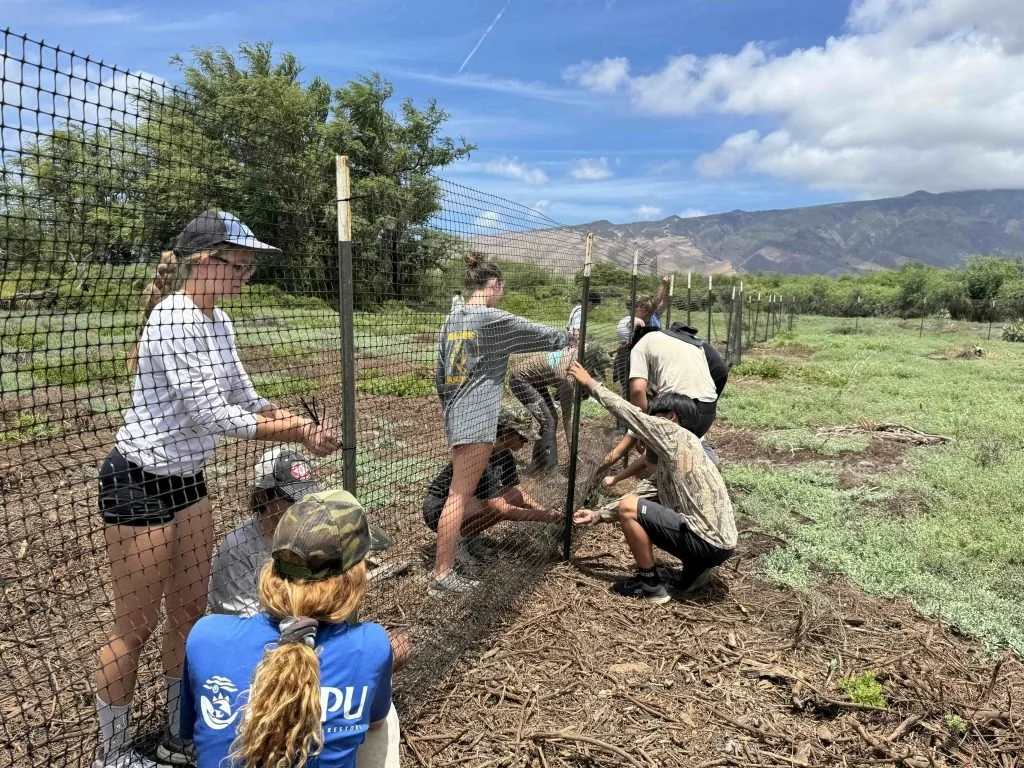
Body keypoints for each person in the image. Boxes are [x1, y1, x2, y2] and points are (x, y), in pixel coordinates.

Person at [93, 211, 339, 768]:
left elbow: (242, 397)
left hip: (187, 482)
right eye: (240, 265)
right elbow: (213, 415)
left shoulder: (218, 322)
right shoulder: (173, 321)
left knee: (187, 615)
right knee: (134, 626)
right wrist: (296, 428)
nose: (245, 276)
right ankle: (109, 753)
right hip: (139, 482)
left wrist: (286, 415)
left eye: (250, 267)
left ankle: (177, 729)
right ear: (205, 261)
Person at [207, 449, 408, 768]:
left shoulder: (203, 637)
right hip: (262, 670)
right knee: (379, 714)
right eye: (288, 499)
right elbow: (254, 644)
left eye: (302, 498)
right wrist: (366, 662)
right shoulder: (238, 549)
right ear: (264, 496)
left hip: (298, 647)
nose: (298, 508)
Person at [433, 253, 568, 595]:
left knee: (459, 494)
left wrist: (452, 406)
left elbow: (439, 375)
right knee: (459, 495)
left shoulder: (451, 319)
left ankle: (451, 561)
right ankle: (442, 574)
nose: (501, 295)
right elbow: (538, 334)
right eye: (501, 289)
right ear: (493, 285)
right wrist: (568, 338)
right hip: (477, 417)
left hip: (456, 412)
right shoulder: (491, 319)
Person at [568, 361, 736, 603]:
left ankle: (650, 585)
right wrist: (598, 515)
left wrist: (590, 383)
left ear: (671, 417)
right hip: (723, 547)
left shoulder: (676, 434)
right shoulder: (681, 460)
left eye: (654, 419)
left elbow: (631, 415)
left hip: (706, 540)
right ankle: (697, 568)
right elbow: (642, 494)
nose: (648, 427)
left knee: (630, 507)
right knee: (633, 505)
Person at [423, 405, 560, 582]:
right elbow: (500, 508)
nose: (525, 442)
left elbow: (517, 492)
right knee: (495, 507)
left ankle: (470, 539)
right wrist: (542, 517)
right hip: (438, 509)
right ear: (506, 433)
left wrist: (542, 509)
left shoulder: (505, 455)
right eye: (522, 437)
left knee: (514, 497)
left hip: (467, 505)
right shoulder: (482, 457)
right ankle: (457, 545)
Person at [509, 344, 608, 471]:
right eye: (592, 372)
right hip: (520, 380)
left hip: (535, 381)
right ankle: (550, 470)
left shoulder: (577, 356)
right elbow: (567, 418)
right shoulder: (568, 379)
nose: (591, 377)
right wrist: (574, 452)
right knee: (549, 422)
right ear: (586, 364)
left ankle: (537, 464)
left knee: (550, 420)